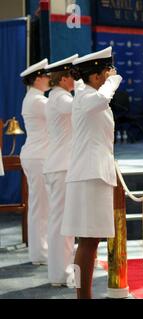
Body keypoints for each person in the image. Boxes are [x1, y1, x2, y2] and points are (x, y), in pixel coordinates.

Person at [61, 47, 122, 299]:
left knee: (91, 241)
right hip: (89, 175)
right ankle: (82, 296)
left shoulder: (89, 93)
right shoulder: (86, 94)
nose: (112, 75)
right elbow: (100, 101)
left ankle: (83, 295)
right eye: (108, 71)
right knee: (87, 242)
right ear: (97, 76)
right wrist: (114, 82)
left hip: (95, 174)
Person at [43, 54, 78, 286]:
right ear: (63, 78)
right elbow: (80, 106)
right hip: (61, 165)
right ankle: (61, 273)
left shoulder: (56, 96)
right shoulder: (60, 98)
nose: (76, 80)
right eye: (73, 76)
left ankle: (61, 270)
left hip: (60, 164)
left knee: (62, 221)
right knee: (61, 222)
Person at [19, 58, 50, 266]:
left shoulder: (35, 97)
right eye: (46, 76)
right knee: (41, 206)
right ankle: (40, 253)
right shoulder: (38, 100)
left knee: (41, 206)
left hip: (38, 154)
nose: (49, 79)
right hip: (39, 156)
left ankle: (41, 251)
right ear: (37, 79)